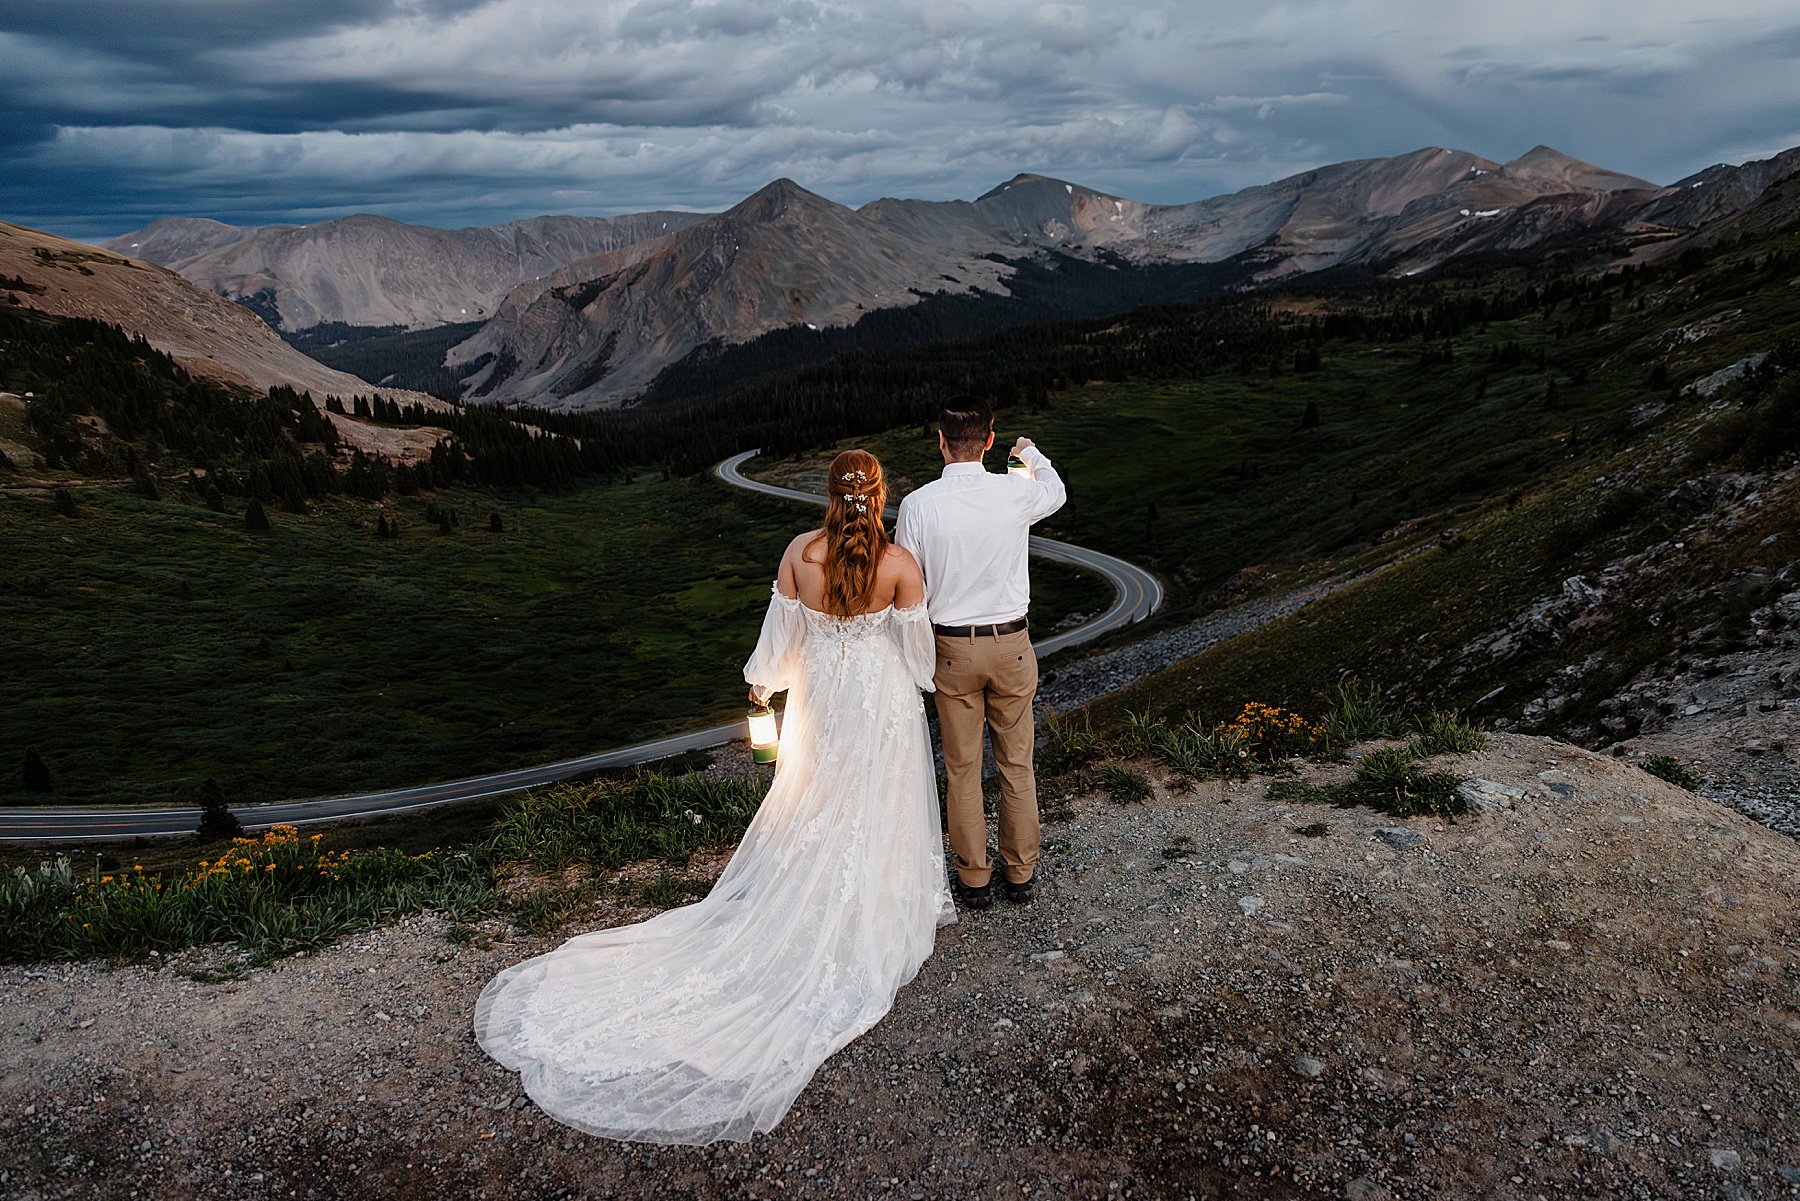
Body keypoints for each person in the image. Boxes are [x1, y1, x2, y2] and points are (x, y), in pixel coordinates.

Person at [474, 449, 950, 1145]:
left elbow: (778, 648)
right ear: (881, 498)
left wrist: (764, 686)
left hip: (821, 704)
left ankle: (813, 905)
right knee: (873, 806)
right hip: (876, 705)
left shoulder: (797, 552)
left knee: (816, 808)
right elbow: (921, 662)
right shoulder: (902, 565)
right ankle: (874, 905)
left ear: (829, 493)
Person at [895, 397, 1066, 909]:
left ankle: (973, 879)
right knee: (1017, 764)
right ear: (990, 441)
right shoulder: (1016, 491)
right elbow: (1054, 492)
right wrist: (1032, 455)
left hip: (950, 648)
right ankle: (1020, 874)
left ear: (941, 442)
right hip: (1012, 643)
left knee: (963, 768)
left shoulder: (918, 505)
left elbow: (911, 587)